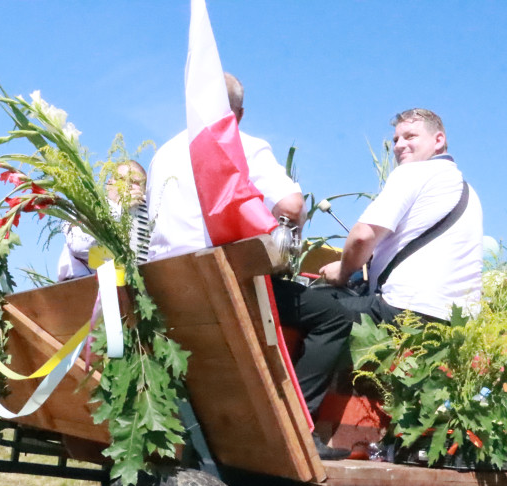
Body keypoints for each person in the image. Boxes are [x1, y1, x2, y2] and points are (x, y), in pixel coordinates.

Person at [147, 73, 353, 459]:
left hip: (167, 289)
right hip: (222, 285)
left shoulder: (163, 154)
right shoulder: (243, 146)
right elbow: (292, 205)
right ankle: (298, 427)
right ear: (238, 115)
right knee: (333, 315)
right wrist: (285, 238)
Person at [319, 108, 484, 325]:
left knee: (311, 309)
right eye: (396, 139)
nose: (398, 145)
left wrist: (342, 271)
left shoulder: (414, 172)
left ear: (438, 140)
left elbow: (362, 236)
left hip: (405, 309)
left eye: (410, 136)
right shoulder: (469, 193)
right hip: (459, 323)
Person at [56, 160, 148, 281]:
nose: (129, 186)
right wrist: (120, 209)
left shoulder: (147, 216)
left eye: (136, 182)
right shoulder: (87, 206)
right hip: (81, 287)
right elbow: (79, 246)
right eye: (123, 179)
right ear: (109, 184)